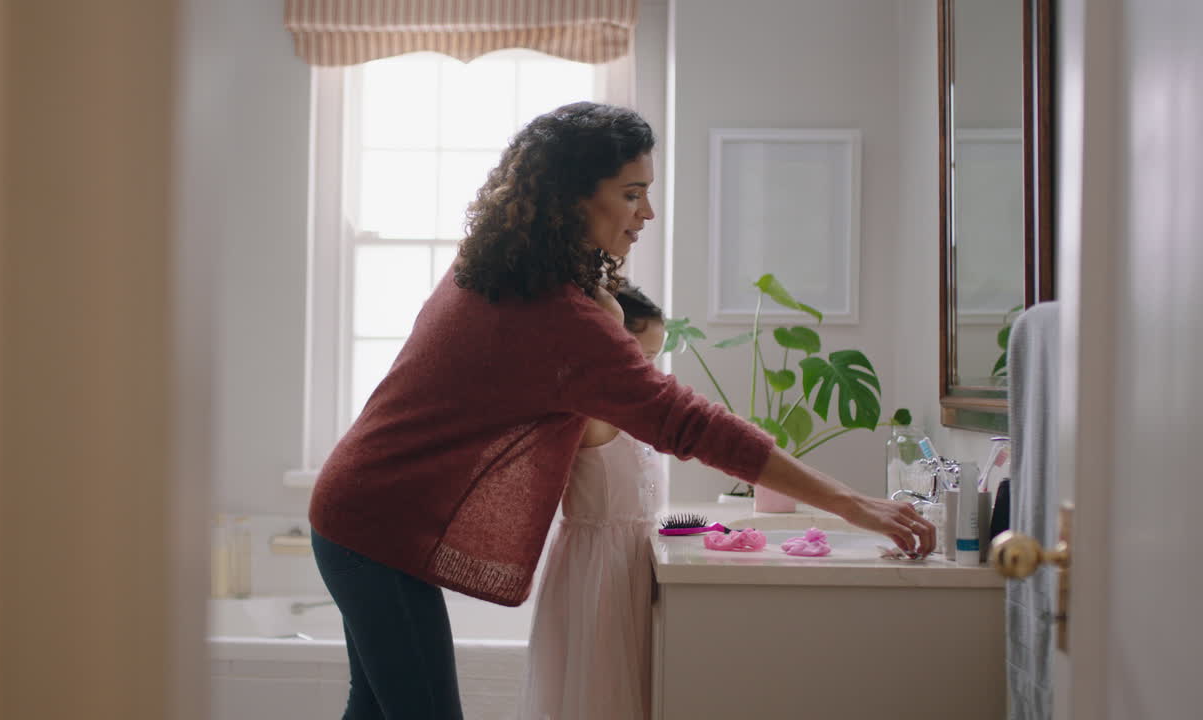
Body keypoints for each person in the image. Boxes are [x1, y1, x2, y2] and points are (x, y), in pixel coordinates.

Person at [309, 101, 935, 720]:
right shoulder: (558, 319)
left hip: (358, 508)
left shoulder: (495, 270)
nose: (647, 213)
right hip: (374, 527)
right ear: (569, 198)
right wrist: (850, 504)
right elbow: (690, 424)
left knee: (373, 708)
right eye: (632, 194)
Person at [519, 285, 667, 720]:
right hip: (598, 567)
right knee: (600, 686)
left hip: (633, 563)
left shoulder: (634, 410)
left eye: (656, 358)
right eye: (643, 356)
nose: (650, 370)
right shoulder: (588, 412)